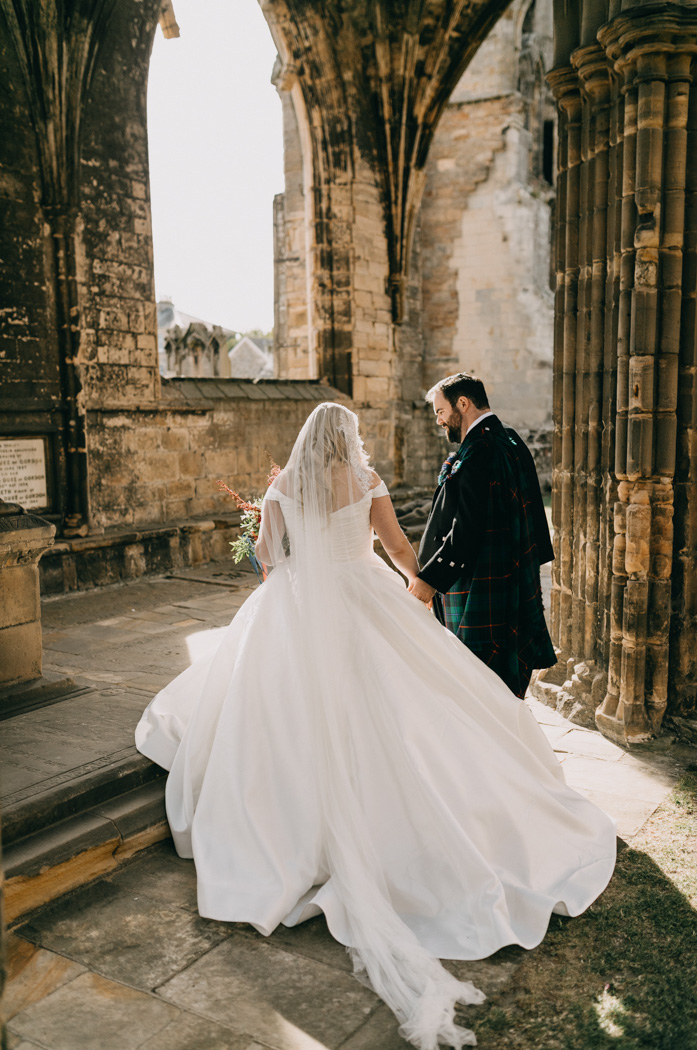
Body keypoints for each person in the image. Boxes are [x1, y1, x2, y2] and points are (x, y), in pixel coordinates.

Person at [135, 402, 615, 1050]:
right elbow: (397, 551)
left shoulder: (283, 488)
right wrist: (418, 591)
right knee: (409, 709)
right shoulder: (365, 484)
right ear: (349, 439)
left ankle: (290, 829)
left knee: (279, 711)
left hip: (295, 604)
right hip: (364, 599)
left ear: (307, 439)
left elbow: (270, 558)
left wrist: (286, 563)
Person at [411, 374, 557, 698]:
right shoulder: (512, 440)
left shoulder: (478, 451)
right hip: (513, 579)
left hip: (481, 585)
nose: (439, 421)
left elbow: (467, 528)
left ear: (462, 404)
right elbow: (533, 515)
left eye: (440, 412)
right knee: (504, 679)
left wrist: (430, 580)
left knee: (476, 681)